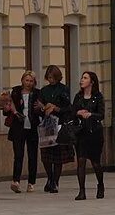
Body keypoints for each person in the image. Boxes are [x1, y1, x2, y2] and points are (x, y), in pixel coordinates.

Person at [4, 70, 43, 194]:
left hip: (32, 127)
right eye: (26, 80)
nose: (29, 83)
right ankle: (16, 181)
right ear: (22, 80)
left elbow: (41, 111)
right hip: (18, 127)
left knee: (32, 156)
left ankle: (31, 182)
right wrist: (7, 108)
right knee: (18, 155)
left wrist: (41, 108)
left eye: (31, 81)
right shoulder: (15, 92)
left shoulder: (37, 93)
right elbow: (6, 109)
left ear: (34, 82)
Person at [73, 70, 106, 200]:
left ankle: (101, 185)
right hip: (81, 133)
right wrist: (78, 112)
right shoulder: (78, 96)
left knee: (95, 163)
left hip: (94, 133)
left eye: (85, 78)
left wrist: (91, 114)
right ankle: (82, 191)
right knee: (81, 161)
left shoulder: (98, 97)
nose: (82, 80)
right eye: (82, 77)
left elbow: (102, 115)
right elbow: (72, 111)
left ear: (91, 82)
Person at [38, 65, 72, 193]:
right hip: (47, 124)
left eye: (53, 77)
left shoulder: (64, 89)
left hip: (60, 124)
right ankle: (50, 178)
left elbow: (68, 108)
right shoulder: (44, 90)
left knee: (58, 156)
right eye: (49, 77)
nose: (51, 80)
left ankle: (55, 181)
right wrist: (43, 108)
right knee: (46, 155)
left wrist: (56, 108)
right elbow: (39, 106)